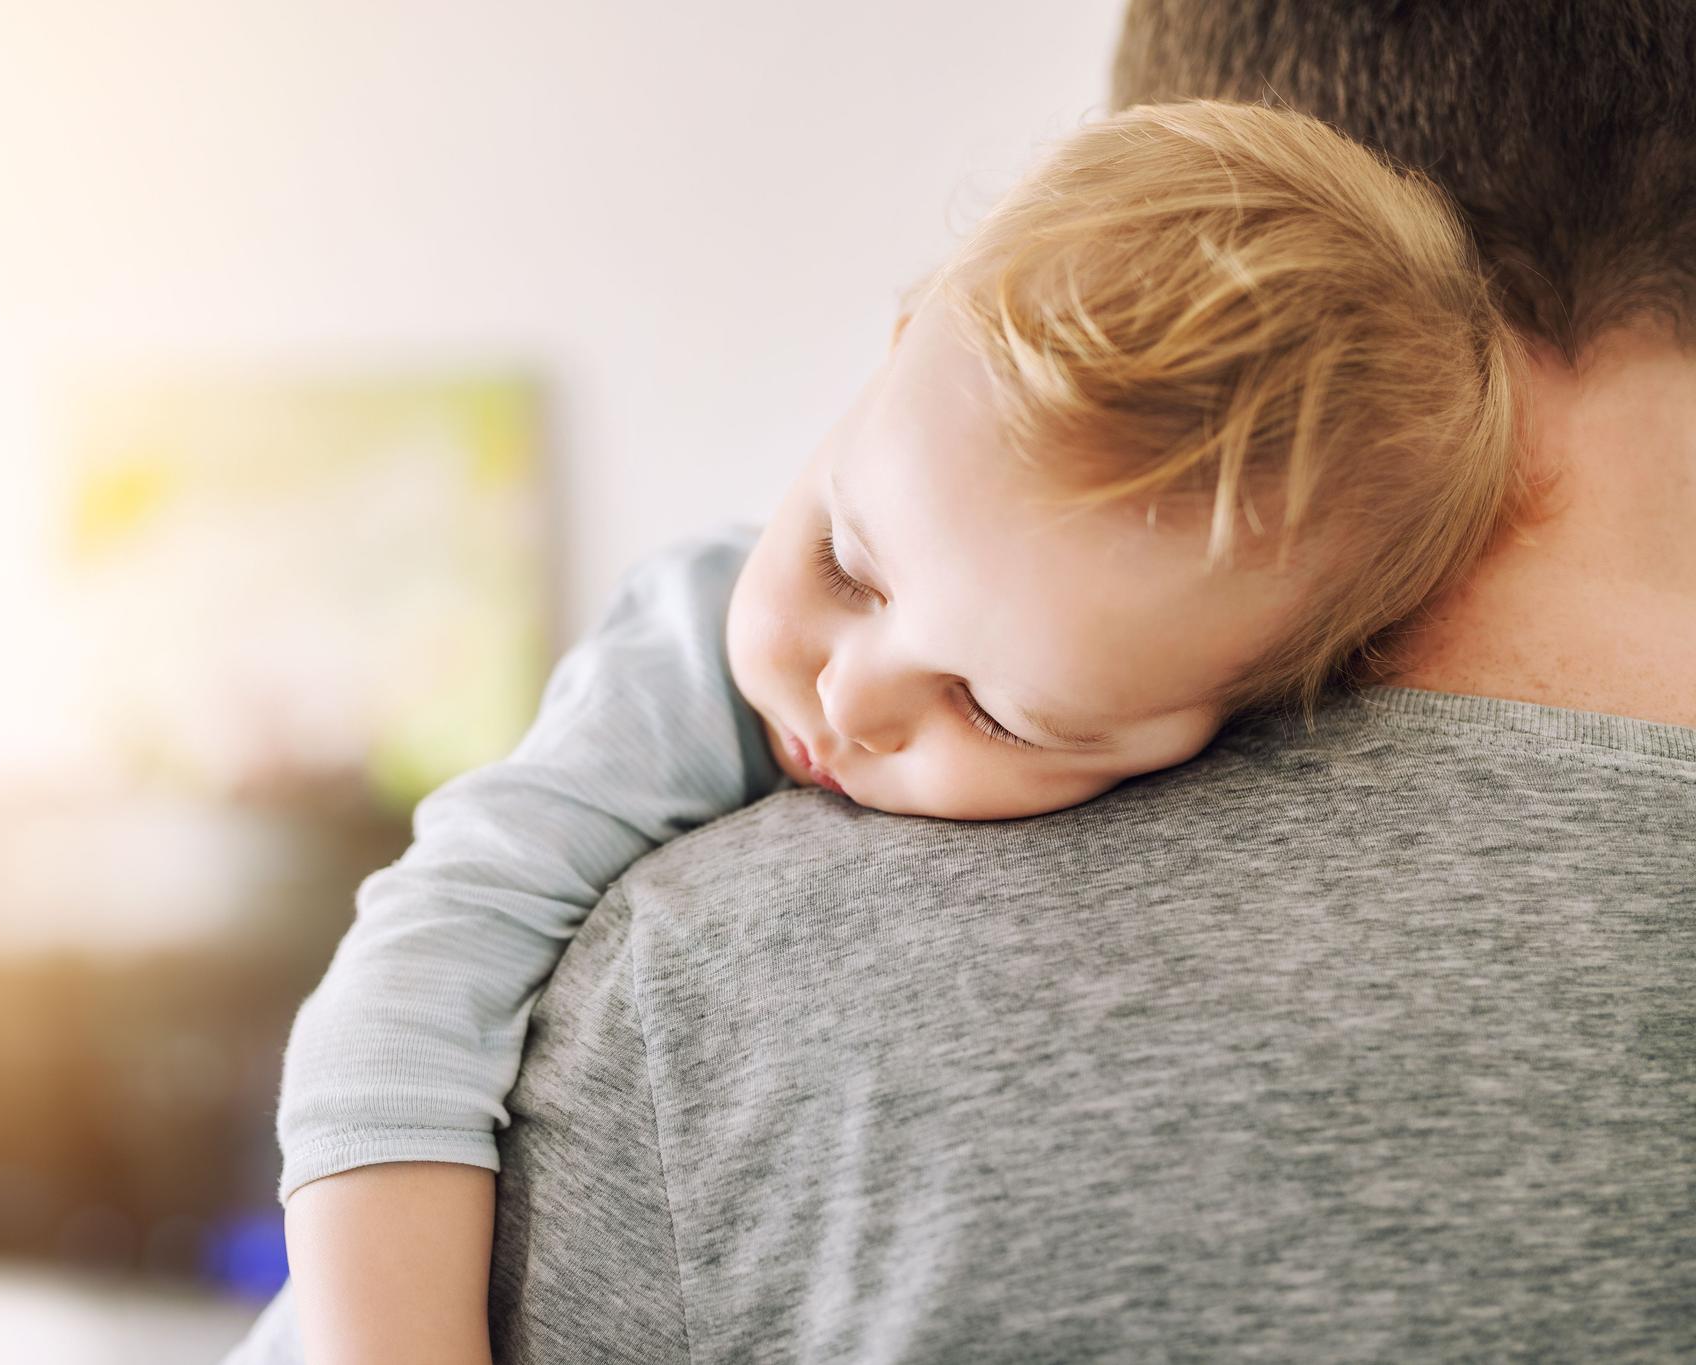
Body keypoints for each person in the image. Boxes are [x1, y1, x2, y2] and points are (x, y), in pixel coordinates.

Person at [230, 1, 1696, 1359]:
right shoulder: (680, 651)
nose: (853, 693)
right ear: (897, 347)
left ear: (1237, 717)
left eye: (1000, 713)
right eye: (848, 562)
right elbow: (411, 983)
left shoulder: (685, 1002)